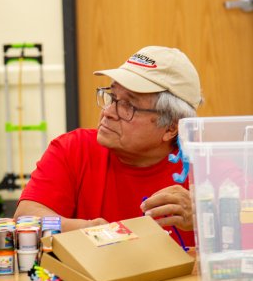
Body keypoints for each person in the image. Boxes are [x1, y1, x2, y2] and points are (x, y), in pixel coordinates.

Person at [15, 46, 202, 246]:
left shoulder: (206, 167)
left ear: (171, 127)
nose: (108, 112)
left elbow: (237, 232)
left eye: (129, 105)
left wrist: (202, 218)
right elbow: (25, 220)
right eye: (112, 97)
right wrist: (87, 232)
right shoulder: (73, 149)